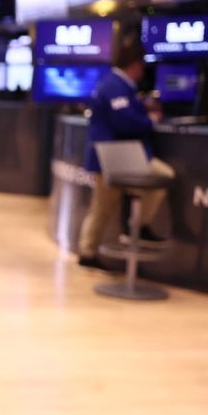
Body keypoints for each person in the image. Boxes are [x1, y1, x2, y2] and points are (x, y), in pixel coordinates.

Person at [77, 27, 174, 271]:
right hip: (116, 158)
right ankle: (136, 229)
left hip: (116, 157)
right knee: (162, 177)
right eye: (141, 67)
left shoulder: (116, 85)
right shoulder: (115, 86)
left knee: (102, 208)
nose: (142, 73)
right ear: (134, 64)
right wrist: (149, 121)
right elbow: (124, 122)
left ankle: (91, 250)